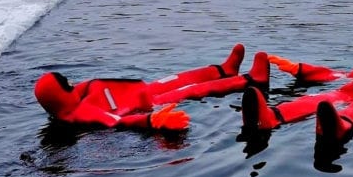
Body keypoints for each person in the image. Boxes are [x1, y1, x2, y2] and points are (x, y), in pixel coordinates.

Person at [34, 44, 269, 130]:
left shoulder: (75, 95)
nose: (71, 82)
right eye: (66, 82)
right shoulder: (81, 112)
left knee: (182, 77)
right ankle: (251, 80)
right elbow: (117, 122)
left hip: (146, 89)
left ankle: (224, 70)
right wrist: (152, 121)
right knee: (191, 90)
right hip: (149, 103)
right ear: (59, 95)